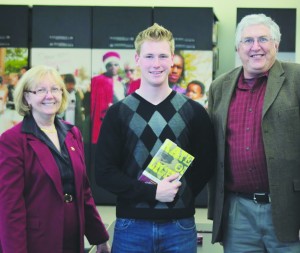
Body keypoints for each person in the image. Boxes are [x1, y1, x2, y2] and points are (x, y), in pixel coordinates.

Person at [95, 23, 215, 253]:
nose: (156, 63)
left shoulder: (194, 111)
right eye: (149, 56)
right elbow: (104, 173)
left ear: (172, 59)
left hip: (179, 226)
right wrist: (153, 193)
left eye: (162, 56)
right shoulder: (118, 112)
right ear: (138, 59)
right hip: (131, 226)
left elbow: (206, 165)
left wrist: (180, 194)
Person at [207, 13, 300, 253]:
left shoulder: (296, 79)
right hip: (238, 212)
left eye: (263, 39)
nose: (255, 47)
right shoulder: (220, 87)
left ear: (276, 45)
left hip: (289, 210)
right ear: (238, 48)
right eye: (248, 41)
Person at [0, 65, 110, 253]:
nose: (49, 95)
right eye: (40, 90)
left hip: (73, 240)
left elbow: (83, 191)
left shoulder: (72, 133)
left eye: (55, 89)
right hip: (37, 242)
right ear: (27, 97)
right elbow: (10, 208)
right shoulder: (13, 140)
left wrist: (100, 238)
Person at [90, 51, 124, 144]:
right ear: (106, 67)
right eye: (110, 65)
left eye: (116, 64)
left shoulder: (122, 82)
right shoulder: (99, 81)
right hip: (107, 120)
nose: (113, 67)